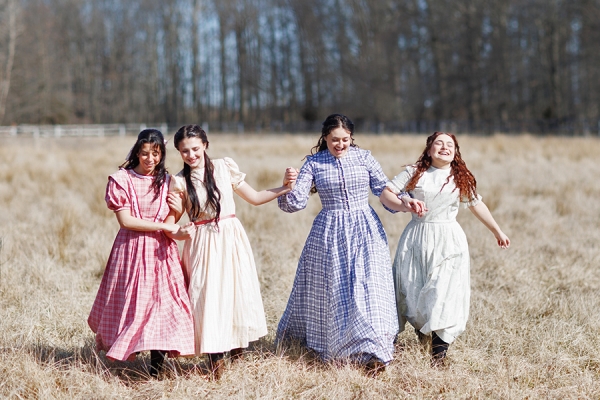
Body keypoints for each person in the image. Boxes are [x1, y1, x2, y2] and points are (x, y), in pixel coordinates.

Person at [275, 113, 415, 376]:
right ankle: (340, 345)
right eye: (334, 140)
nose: (340, 144)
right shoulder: (314, 163)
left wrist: (405, 203)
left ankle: (373, 351)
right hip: (329, 232)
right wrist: (287, 186)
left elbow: (384, 191)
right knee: (338, 289)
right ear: (325, 138)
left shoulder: (364, 158)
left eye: (345, 140)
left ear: (352, 138)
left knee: (369, 285)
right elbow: (295, 203)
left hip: (366, 228)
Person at [168, 124, 297, 380]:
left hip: (231, 237)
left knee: (236, 292)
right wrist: (179, 231)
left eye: (195, 148)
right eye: (185, 151)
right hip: (202, 243)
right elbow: (170, 225)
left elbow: (256, 197)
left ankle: (238, 355)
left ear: (205, 144)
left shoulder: (224, 167)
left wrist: (283, 188)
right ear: (179, 153)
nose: (191, 155)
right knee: (209, 298)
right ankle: (215, 361)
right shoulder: (180, 181)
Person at [380, 131, 510, 366]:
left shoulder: (459, 177)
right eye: (438, 143)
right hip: (417, 238)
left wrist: (497, 231)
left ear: (455, 151)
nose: (444, 147)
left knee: (445, 292)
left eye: (449, 144)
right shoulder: (414, 172)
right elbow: (386, 194)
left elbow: (476, 204)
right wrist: (406, 204)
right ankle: (423, 334)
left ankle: (439, 355)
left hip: (448, 239)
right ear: (429, 149)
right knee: (415, 291)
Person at [88, 129, 195, 378]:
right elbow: (126, 221)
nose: (150, 159)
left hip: (161, 251)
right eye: (145, 153)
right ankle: (131, 348)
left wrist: (177, 217)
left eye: (155, 154)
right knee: (137, 306)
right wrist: (164, 226)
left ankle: (156, 369)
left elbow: (171, 220)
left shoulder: (168, 181)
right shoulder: (121, 180)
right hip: (132, 249)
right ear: (137, 152)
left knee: (163, 306)